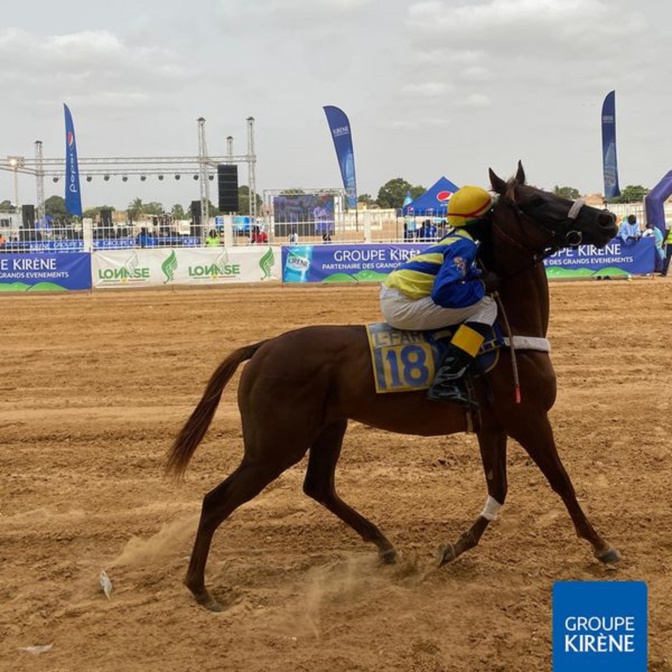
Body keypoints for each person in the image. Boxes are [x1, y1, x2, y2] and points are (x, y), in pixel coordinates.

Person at [380, 185, 500, 407]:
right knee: (486, 306)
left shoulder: (457, 237)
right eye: (490, 216)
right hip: (401, 305)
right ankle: (446, 381)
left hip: (395, 296)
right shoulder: (464, 245)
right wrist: (482, 286)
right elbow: (444, 293)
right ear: (480, 221)